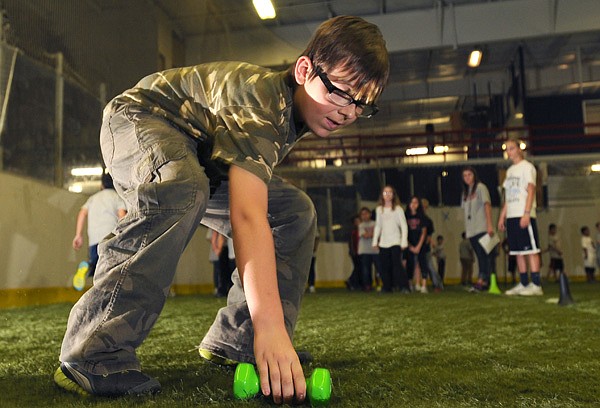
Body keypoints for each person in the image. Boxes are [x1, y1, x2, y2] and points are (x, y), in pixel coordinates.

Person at [54, 15, 390, 404]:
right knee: (182, 188)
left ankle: (239, 341)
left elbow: (256, 208)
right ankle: (91, 351)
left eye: (362, 104)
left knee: (294, 211)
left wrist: (266, 330)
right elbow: (247, 216)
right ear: (304, 70)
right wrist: (272, 326)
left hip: (200, 155)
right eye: (341, 93)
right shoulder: (262, 104)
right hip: (137, 120)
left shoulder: (290, 114)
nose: (349, 111)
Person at [498, 139, 543, 296]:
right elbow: (508, 197)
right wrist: (502, 217)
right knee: (516, 251)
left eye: (511, 148)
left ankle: (536, 285)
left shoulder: (527, 167)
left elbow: (531, 190)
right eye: (507, 149)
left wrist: (526, 213)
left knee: (531, 249)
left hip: (524, 214)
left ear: (519, 149)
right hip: (511, 215)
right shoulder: (510, 171)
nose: (509, 152)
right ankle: (524, 283)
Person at [71, 173, 126, 289]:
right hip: (110, 238)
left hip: (94, 240)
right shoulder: (117, 197)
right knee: (110, 268)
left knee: (96, 265)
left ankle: (87, 265)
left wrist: (78, 235)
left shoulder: (93, 198)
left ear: (102, 185)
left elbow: (82, 213)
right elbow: (122, 216)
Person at [461, 166, 497, 292]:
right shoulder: (466, 192)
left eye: (469, 175)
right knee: (479, 256)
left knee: (485, 255)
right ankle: (483, 280)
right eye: (464, 175)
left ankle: (484, 280)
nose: (467, 178)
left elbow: (487, 205)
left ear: (474, 175)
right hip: (471, 230)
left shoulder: (481, 188)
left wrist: (489, 225)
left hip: (482, 227)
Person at [371, 185, 409, 293]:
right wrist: (375, 241)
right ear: (382, 195)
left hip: (395, 241)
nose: (387, 195)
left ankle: (404, 286)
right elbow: (378, 226)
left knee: (397, 265)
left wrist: (404, 240)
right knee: (385, 266)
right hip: (383, 242)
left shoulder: (398, 209)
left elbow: (404, 225)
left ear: (393, 195)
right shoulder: (379, 210)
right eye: (385, 193)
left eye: (390, 192)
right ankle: (387, 287)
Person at [405, 196, 428, 293]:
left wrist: (418, 246)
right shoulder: (405, 216)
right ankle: (410, 284)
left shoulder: (422, 217)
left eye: (416, 203)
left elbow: (424, 232)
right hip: (409, 244)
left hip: (420, 244)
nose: (413, 205)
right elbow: (403, 232)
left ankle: (423, 285)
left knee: (422, 263)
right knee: (409, 264)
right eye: (412, 202)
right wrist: (410, 246)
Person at [358, 207, 380, 291]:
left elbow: (378, 234)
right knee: (366, 269)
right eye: (362, 214)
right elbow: (365, 235)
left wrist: (371, 234)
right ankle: (367, 285)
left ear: (370, 214)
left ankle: (380, 283)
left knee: (379, 268)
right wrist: (373, 233)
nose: (364, 216)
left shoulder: (376, 223)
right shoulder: (361, 225)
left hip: (375, 250)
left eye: (366, 213)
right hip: (364, 250)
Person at [346, 214, 361, 290]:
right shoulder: (353, 231)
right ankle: (351, 280)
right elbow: (351, 243)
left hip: (361, 252)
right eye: (356, 221)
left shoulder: (361, 230)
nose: (358, 222)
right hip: (355, 253)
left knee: (358, 268)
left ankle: (355, 283)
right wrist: (353, 252)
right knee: (358, 267)